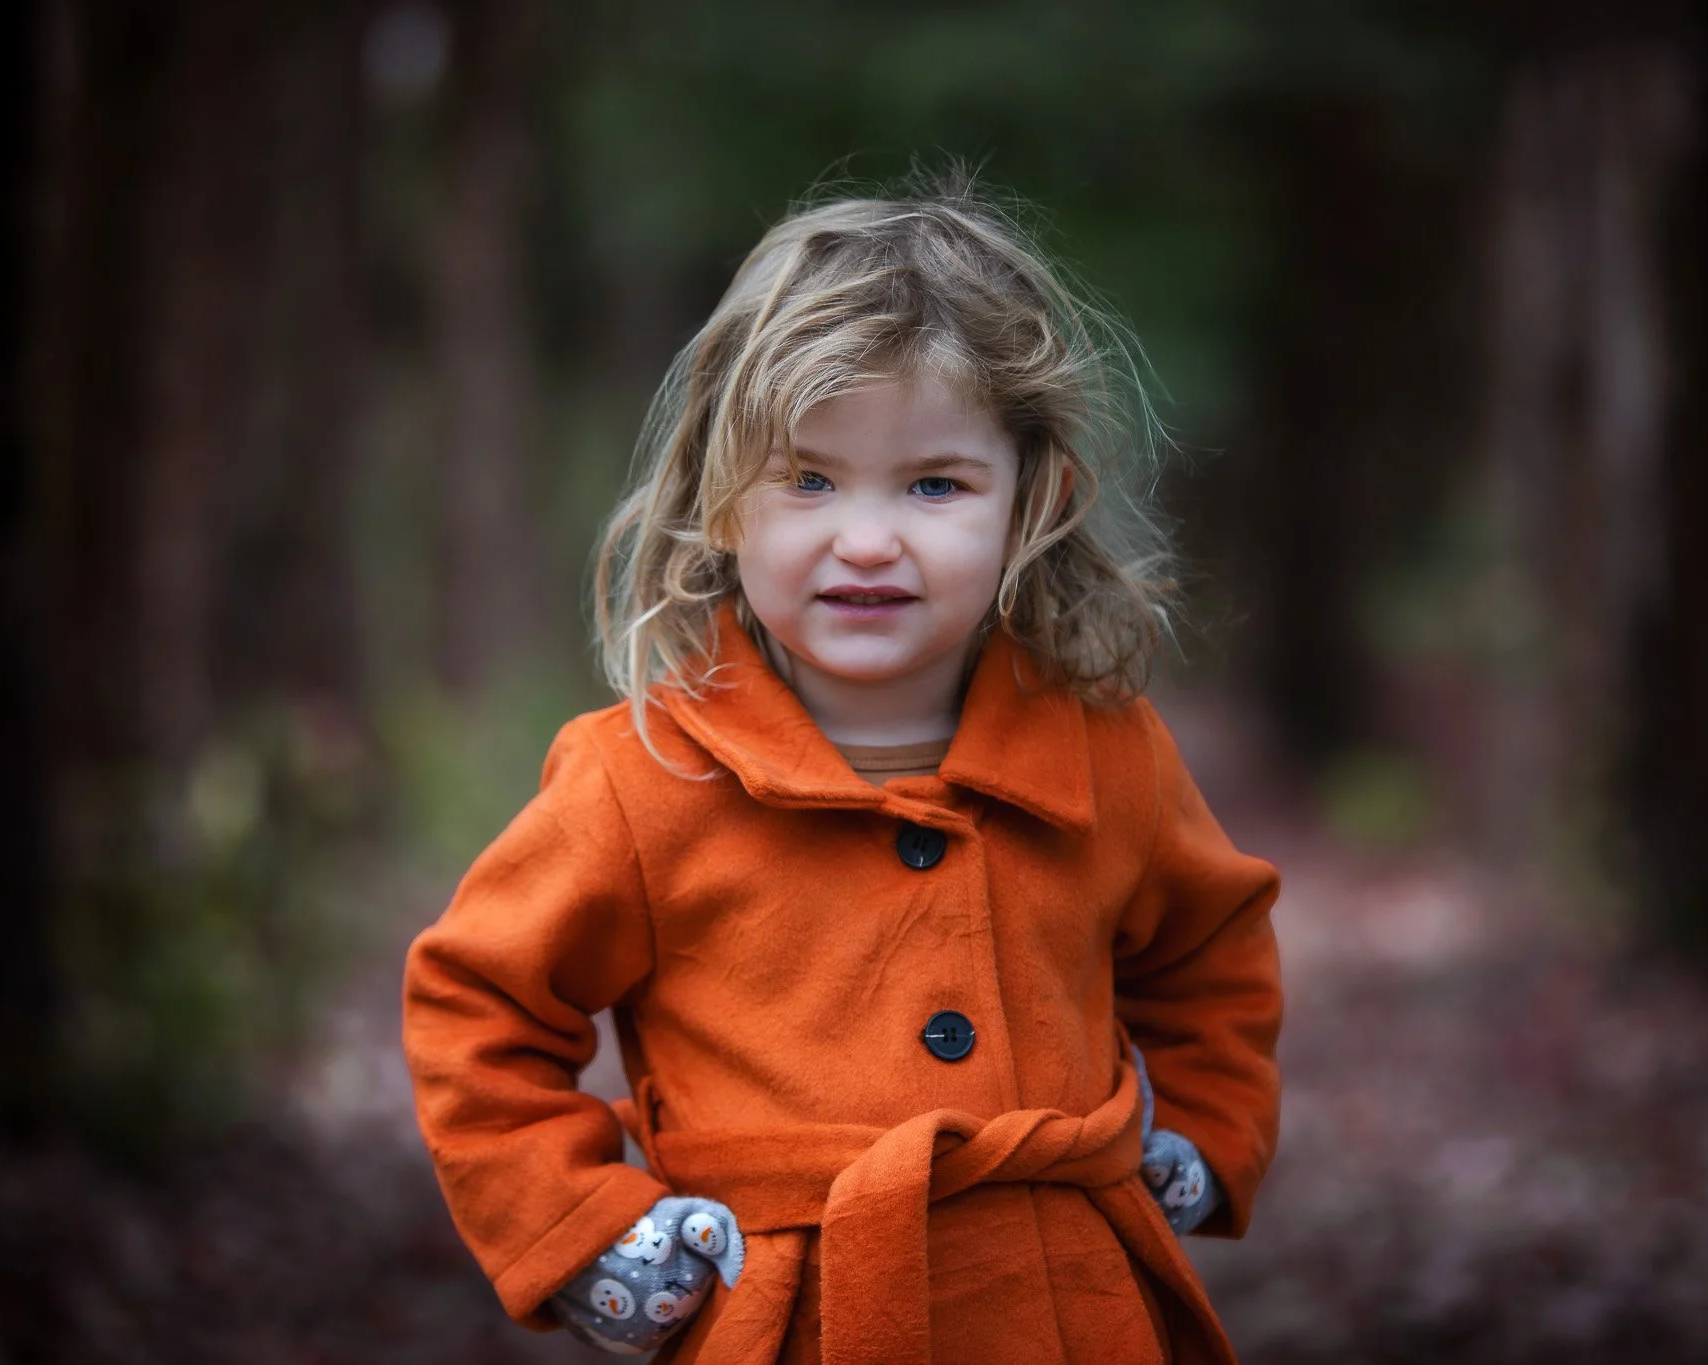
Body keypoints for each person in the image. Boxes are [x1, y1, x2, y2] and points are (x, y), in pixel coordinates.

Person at [402, 175, 1283, 1364]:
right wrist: (584, 1229)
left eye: (934, 484)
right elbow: (477, 1006)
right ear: (719, 500)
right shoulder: (640, 777)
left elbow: (1209, 951)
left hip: (1069, 1316)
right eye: (807, 479)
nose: (865, 540)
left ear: (1034, 499)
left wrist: (1202, 1128)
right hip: (786, 1324)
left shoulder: (1105, 751)